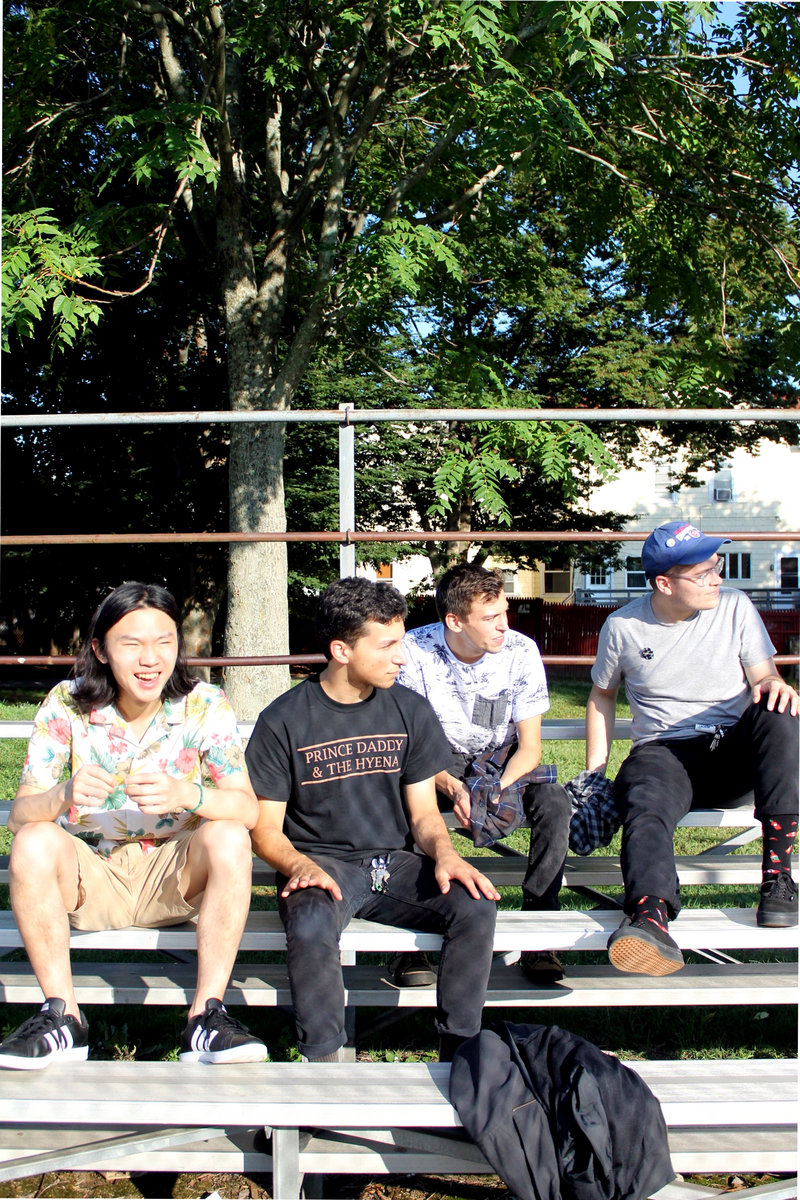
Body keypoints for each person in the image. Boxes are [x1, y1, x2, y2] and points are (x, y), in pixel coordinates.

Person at [0, 583, 267, 1070]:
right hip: (89, 876)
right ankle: (63, 1015)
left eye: (165, 641)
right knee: (34, 839)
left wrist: (188, 795)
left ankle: (206, 1016)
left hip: (173, 875)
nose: (151, 659)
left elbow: (248, 810)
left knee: (229, 833)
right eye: (132, 644)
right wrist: (63, 795)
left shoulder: (205, 704)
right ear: (101, 650)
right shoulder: (67, 703)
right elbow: (19, 817)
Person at [245, 576, 499, 1063]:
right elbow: (266, 830)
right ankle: (323, 1061)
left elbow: (424, 814)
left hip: (393, 864)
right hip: (322, 865)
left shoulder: (410, 711)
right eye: (386, 646)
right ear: (341, 650)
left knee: (475, 905)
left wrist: (446, 855)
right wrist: (299, 866)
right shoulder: (284, 720)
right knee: (311, 923)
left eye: (401, 642)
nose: (402, 657)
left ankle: (459, 1052)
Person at [586, 521, 799, 976]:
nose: (716, 580)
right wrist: (594, 774)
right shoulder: (622, 626)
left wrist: (774, 683)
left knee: (780, 711)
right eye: (703, 574)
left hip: (732, 751)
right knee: (644, 802)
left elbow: (764, 676)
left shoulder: (735, 606)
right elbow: (602, 695)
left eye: (717, 567)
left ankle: (778, 879)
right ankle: (649, 918)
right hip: (664, 752)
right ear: (665, 583)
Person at [396, 563, 571, 986]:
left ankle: (540, 932)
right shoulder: (413, 651)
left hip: (502, 759)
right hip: (433, 757)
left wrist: (496, 788)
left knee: (555, 803)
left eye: (504, 612)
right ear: (455, 621)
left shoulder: (521, 651)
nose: (504, 625)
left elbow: (530, 748)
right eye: (491, 617)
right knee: (406, 808)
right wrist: (450, 784)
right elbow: (407, 743)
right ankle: (410, 946)